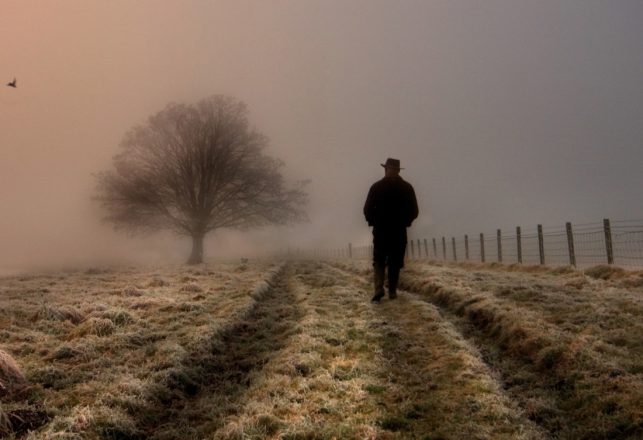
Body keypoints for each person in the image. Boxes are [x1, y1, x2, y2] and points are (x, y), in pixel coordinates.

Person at [363, 158, 419, 302]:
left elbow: (367, 209)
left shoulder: (376, 187)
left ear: (386, 169)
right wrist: (406, 222)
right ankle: (392, 291)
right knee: (395, 261)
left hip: (381, 230)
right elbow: (414, 211)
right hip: (399, 231)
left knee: (379, 260)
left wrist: (373, 221)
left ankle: (379, 288)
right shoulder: (407, 187)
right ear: (398, 170)